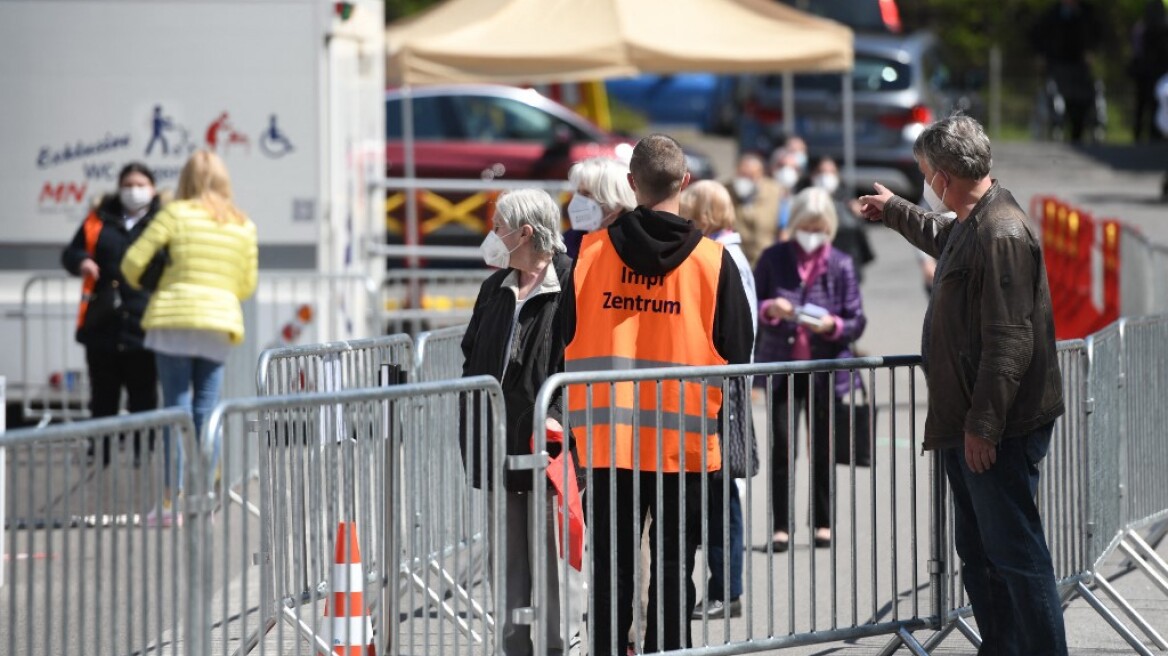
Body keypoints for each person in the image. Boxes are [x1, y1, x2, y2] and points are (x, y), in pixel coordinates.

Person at [859, 114, 1067, 655]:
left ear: (944, 179)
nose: (928, 183)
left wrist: (984, 425)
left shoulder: (1001, 231)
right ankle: (1002, 645)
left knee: (1016, 556)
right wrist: (896, 211)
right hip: (972, 421)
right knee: (981, 552)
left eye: (928, 174)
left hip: (995, 425)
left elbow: (1008, 340)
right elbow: (943, 236)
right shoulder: (976, 220)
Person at [562, 134, 754, 655]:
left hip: (608, 441)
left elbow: (565, 336)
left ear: (630, 184)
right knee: (674, 568)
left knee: (613, 569)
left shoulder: (590, 255)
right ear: (685, 184)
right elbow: (739, 349)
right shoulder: (713, 264)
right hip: (683, 444)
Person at [459, 188, 584, 656]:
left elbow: (581, 364)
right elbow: (473, 351)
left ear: (524, 233)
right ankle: (514, 648)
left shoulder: (572, 282)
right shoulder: (495, 287)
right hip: (498, 443)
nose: (492, 234)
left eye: (498, 225)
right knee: (508, 563)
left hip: (552, 451)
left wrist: (556, 420)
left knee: (554, 562)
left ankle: (559, 648)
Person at [121, 150, 258, 528]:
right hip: (217, 322)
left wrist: (150, 282)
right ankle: (201, 501)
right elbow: (247, 284)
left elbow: (132, 262)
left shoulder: (173, 214)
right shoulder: (242, 223)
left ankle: (171, 501)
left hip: (173, 317)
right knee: (206, 412)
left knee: (176, 411)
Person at [753, 187, 866, 551]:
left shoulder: (841, 262)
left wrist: (832, 325)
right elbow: (752, 305)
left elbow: (856, 319)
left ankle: (822, 521)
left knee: (823, 447)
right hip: (783, 366)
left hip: (826, 367)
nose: (812, 232)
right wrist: (771, 309)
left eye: (819, 226)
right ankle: (780, 525)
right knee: (783, 446)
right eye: (806, 225)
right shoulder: (773, 258)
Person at [679, 180, 757, 620]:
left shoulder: (726, 258)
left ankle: (727, 590)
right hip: (717, 391)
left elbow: (739, 333)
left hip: (721, 393)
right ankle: (722, 588)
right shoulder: (724, 254)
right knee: (713, 497)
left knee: (720, 497)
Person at [61, 162, 163, 466]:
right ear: (119, 187)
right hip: (103, 322)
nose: (134, 191)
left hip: (143, 325)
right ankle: (100, 454)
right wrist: (81, 262)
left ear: (153, 188)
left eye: (140, 184)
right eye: (128, 184)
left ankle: (142, 456)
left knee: (143, 397)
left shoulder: (161, 222)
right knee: (103, 397)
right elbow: (71, 252)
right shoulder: (98, 219)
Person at [1029, 0, 1100, 143]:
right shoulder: (1051, 14)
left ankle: (1077, 137)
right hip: (1057, 65)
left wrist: (1092, 50)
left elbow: (1098, 34)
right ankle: (1057, 130)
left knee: (1080, 102)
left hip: (1079, 67)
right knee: (1056, 100)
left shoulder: (1087, 13)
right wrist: (1041, 55)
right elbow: (1036, 35)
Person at [806, 156, 875, 283]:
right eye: (822, 172)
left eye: (830, 172)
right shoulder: (805, 202)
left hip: (847, 269)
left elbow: (859, 239)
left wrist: (858, 215)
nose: (826, 177)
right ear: (813, 174)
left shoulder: (848, 201)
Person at [563, 157, 637, 259]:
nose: (577, 201)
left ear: (616, 205)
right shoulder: (567, 244)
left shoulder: (637, 247)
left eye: (586, 194)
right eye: (577, 193)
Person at [726, 152, 782, 267]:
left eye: (750, 176)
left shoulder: (775, 192)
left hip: (765, 262)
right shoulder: (724, 191)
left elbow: (783, 229)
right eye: (742, 175)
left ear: (761, 175)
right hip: (733, 262)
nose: (745, 180)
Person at [1129, 0, 1168, 142]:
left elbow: (1136, 51)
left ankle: (1140, 135)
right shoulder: (1144, 29)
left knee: (1144, 107)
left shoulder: (1141, 28)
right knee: (1152, 106)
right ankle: (1151, 136)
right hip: (1154, 74)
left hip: (1147, 74)